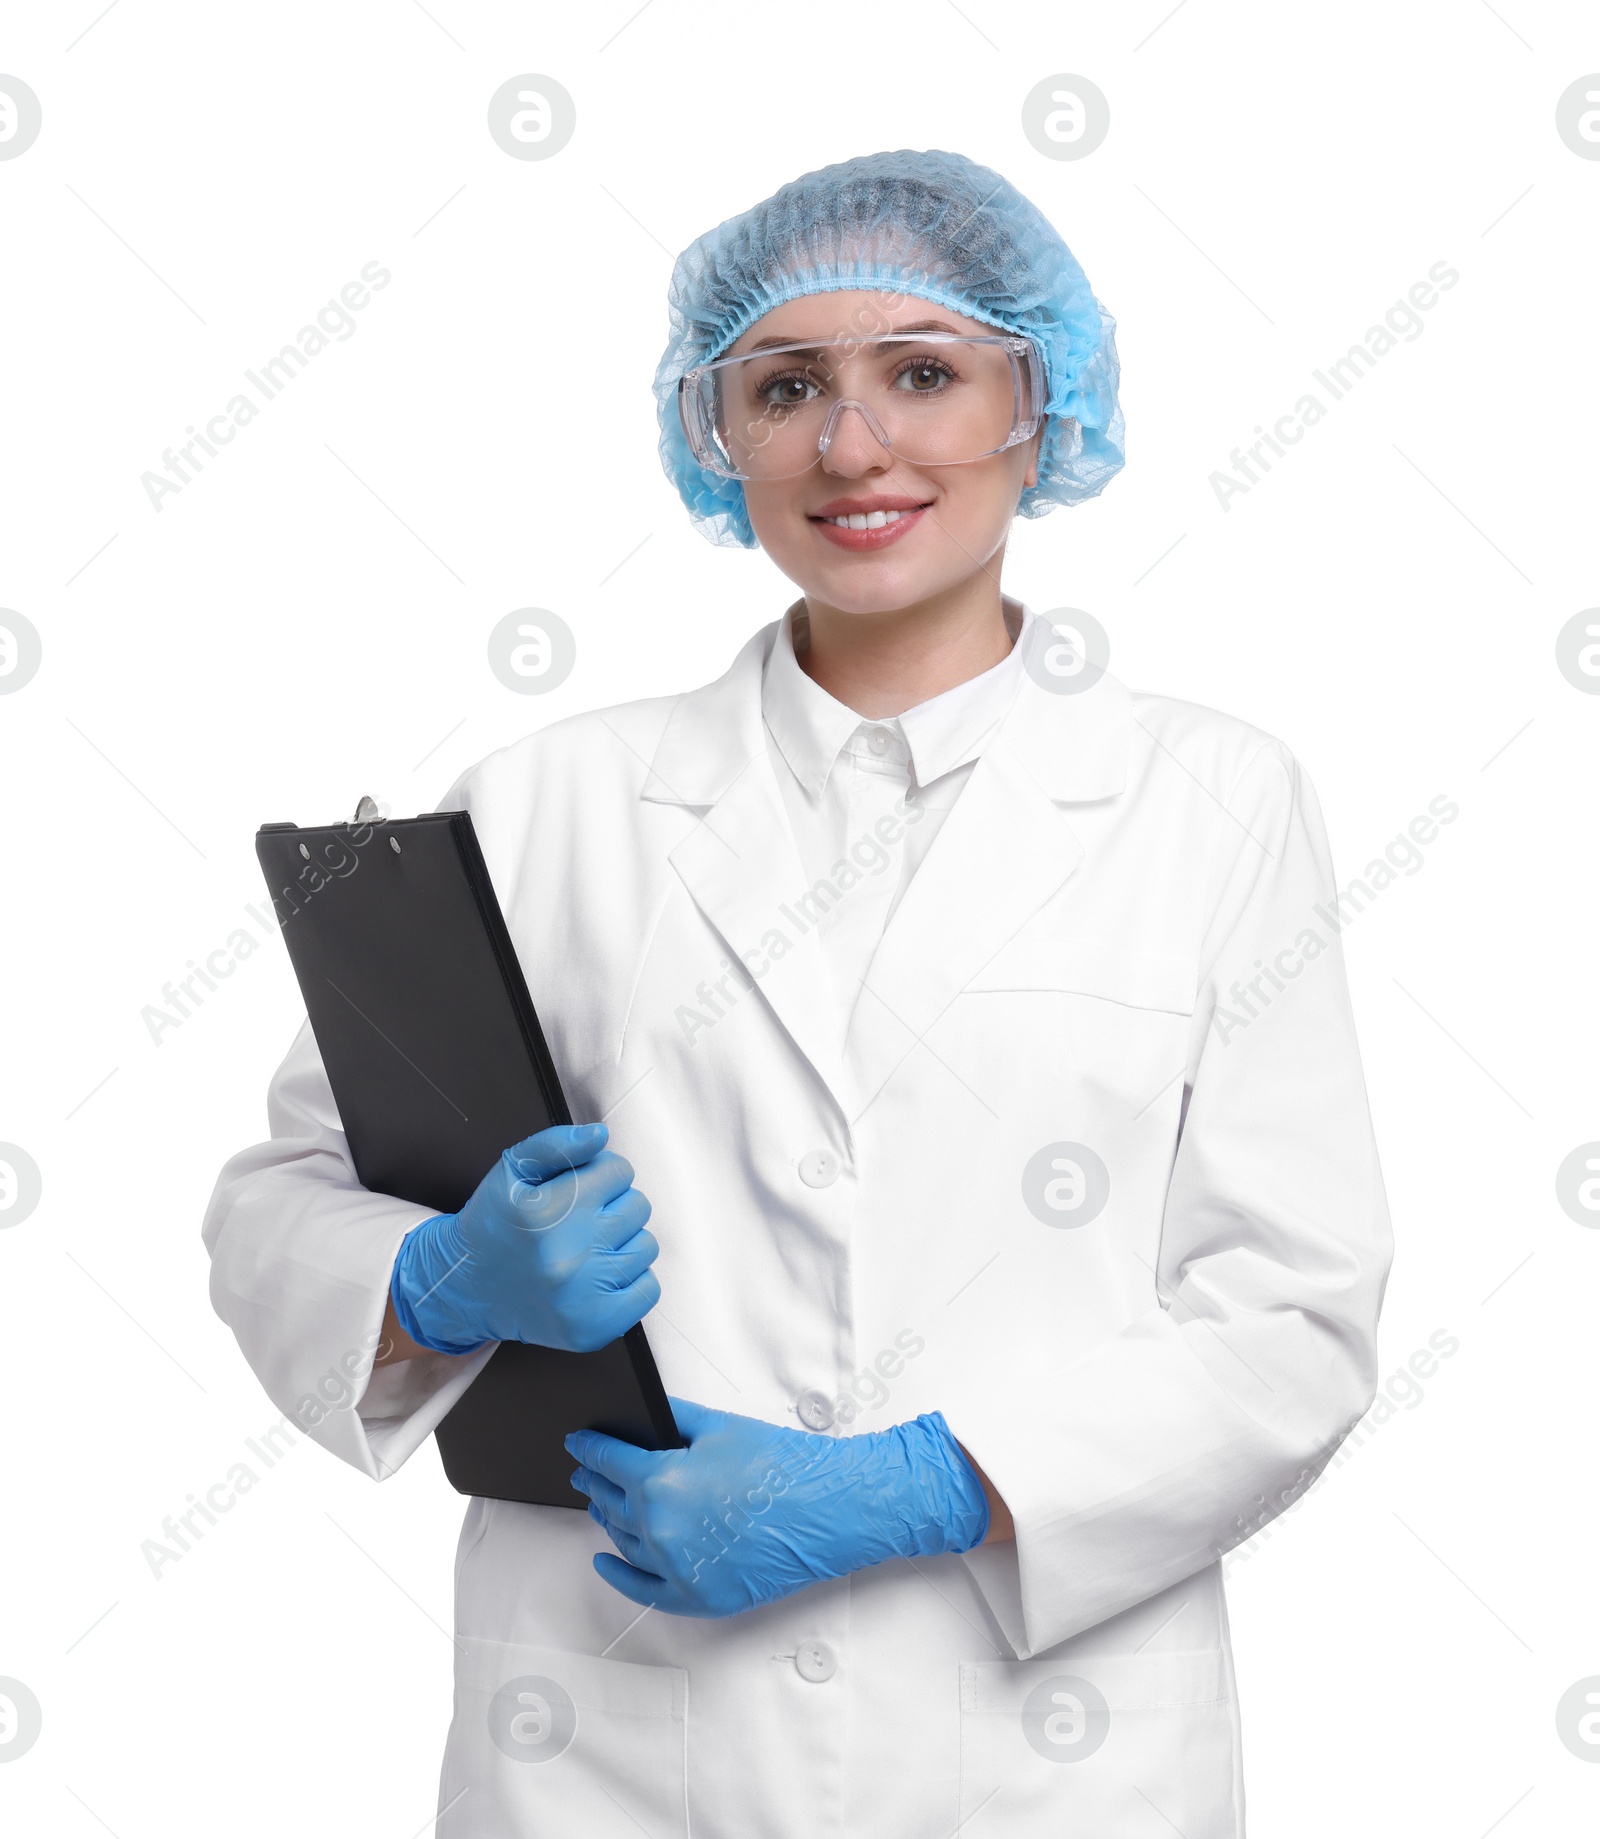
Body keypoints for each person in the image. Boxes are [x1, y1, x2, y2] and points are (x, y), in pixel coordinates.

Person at [204, 148, 1392, 1837]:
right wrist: (436, 1278)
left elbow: (1295, 1316)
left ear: (1039, 409)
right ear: (718, 433)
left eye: (924, 372)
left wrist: (917, 1489)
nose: (854, 447)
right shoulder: (548, 801)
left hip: (1060, 1758)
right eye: (787, 387)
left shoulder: (1214, 802)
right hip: (614, 1750)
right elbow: (284, 1200)